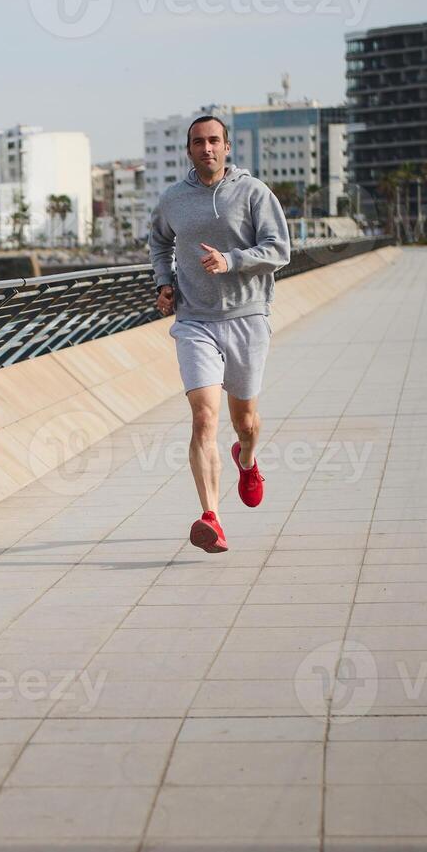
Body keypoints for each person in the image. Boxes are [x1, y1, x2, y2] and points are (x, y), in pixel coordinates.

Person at [148, 113, 290, 554]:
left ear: (227, 146)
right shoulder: (173, 199)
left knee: (243, 421)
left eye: (213, 141)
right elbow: (159, 241)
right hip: (195, 320)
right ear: (189, 150)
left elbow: (280, 249)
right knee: (204, 416)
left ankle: (247, 460)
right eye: (197, 142)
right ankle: (211, 516)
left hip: (247, 316)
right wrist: (164, 281)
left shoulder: (253, 193)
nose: (206, 148)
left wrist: (233, 260)